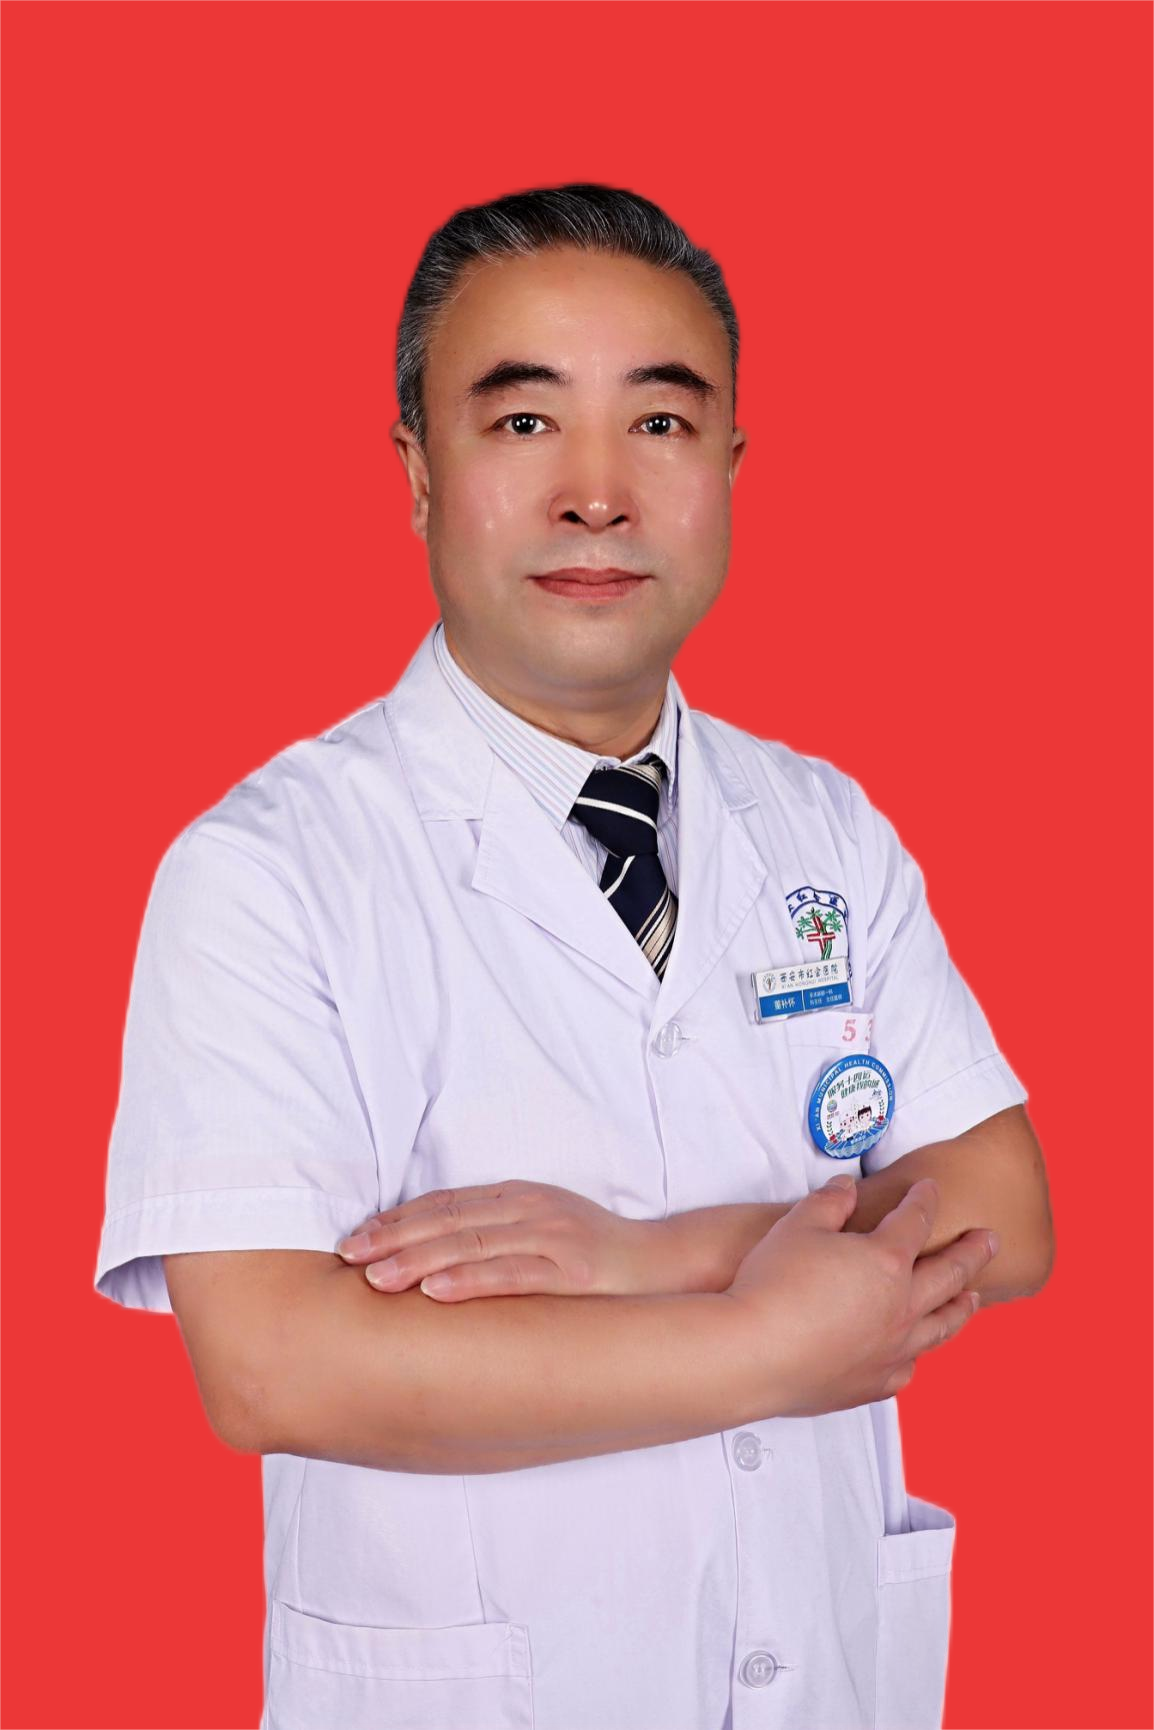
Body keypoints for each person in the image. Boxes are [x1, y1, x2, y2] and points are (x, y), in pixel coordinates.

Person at [93, 183, 1054, 1730]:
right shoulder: (269, 867)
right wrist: (760, 1338)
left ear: (729, 467)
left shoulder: (819, 825)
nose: (596, 494)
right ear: (418, 472)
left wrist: (643, 1257)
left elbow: (1004, 1210)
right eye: (524, 422)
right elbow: (275, 1368)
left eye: (659, 424)